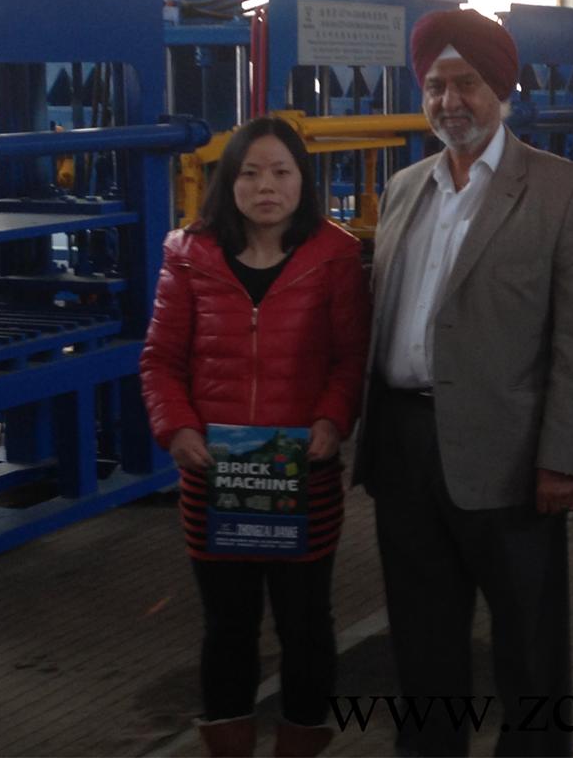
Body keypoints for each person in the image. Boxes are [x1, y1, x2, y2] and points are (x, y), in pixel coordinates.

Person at [352, 8, 573, 757]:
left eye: (466, 83)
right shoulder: (406, 188)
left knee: (529, 646)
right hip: (404, 447)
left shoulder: (563, 192)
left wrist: (561, 457)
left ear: (502, 87)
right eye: (435, 86)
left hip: (511, 454)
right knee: (423, 643)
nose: (449, 101)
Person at [140, 116, 371, 758]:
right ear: (228, 182)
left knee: (306, 624)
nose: (266, 186)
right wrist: (177, 428)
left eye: (281, 172)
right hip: (214, 477)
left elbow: (351, 357)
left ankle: (299, 744)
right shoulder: (188, 254)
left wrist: (331, 420)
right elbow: (160, 359)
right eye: (250, 173)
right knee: (227, 625)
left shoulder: (334, 255)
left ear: (303, 181)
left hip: (304, 475)